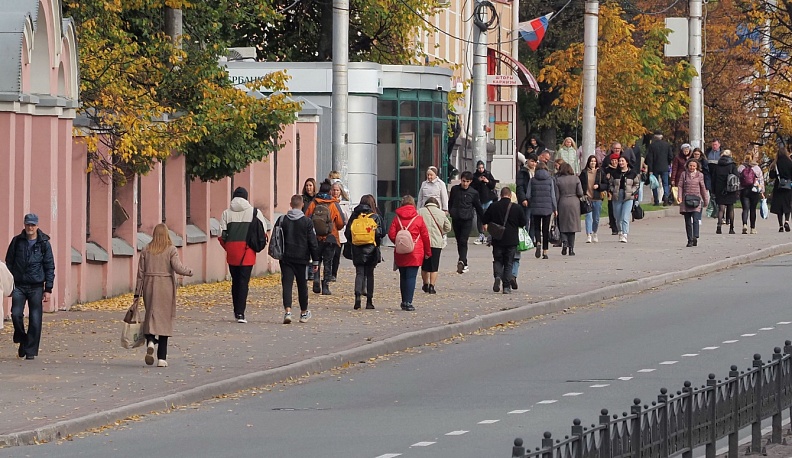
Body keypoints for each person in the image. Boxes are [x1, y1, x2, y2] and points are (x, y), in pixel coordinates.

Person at [135, 223, 193, 367]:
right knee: (164, 320)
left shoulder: (146, 249)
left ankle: (150, 340)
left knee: (151, 314)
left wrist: (137, 293)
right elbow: (177, 267)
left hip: (149, 285)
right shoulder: (171, 249)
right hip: (165, 286)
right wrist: (189, 271)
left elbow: (140, 273)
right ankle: (162, 359)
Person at [6, 213, 54, 360]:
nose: (30, 227)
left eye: (33, 225)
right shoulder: (17, 241)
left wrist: (48, 289)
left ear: (37, 226)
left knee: (35, 319)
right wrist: (9, 284)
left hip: (36, 286)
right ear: (24, 225)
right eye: (28, 224)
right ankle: (22, 338)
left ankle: (30, 351)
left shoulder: (44, 243)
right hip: (19, 285)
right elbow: (9, 263)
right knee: (16, 314)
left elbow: (49, 266)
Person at [219, 186, 269, 323]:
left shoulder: (226, 213)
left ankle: (236, 310)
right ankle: (241, 313)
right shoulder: (255, 212)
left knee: (235, 281)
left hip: (232, 252)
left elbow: (221, 235)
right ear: (246, 197)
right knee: (243, 282)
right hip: (248, 252)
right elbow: (263, 232)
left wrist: (228, 247)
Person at [279, 194, 321, 323]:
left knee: (287, 285)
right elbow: (312, 242)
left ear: (290, 205)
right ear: (302, 205)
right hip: (302, 259)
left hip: (286, 258)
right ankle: (303, 313)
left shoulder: (283, 220)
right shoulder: (307, 222)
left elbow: (278, 238)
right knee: (302, 285)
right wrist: (315, 260)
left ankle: (288, 312)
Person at [388, 195, 431, 311]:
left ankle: (403, 301)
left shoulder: (397, 218)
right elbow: (425, 236)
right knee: (411, 277)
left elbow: (391, 234)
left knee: (403, 276)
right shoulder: (418, 218)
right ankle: (409, 302)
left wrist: (399, 242)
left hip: (401, 251)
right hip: (415, 252)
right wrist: (428, 252)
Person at [482, 187, 526, 294]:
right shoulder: (517, 208)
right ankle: (506, 287)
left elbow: (485, 219)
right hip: (511, 239)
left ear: (500, 195)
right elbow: (523, 222)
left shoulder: (493, 206)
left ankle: (497, 276)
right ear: (510, 196)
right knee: (508, 263)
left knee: (498, 260)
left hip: (498, 238)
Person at [305, 180, 345, 295]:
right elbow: (341, 223)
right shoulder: (334, 204)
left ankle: (316, 279)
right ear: (330, 191)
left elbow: (306, 218)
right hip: (330, 237)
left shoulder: (313, 203)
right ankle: (325, 285)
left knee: (316, 260)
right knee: (328, 262)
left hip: (315, 237)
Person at [344, 194, 384, 309]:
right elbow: (382, 232)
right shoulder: (375, 216)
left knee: (359, 273)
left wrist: (354, 242)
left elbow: (347, 233)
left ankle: (357, 297)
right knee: (370, 274)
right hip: (372, 249)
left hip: (357, 249)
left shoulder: (355, 216)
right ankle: (369, 301)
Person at [448, 170, 484, 274]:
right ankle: (464, 262)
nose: (465, 184)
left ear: (470, 181)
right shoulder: (455, 189)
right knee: (459, 241)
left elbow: (478, 208)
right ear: (461, 180)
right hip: (456, 218)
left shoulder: (473, 193)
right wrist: (451, 211)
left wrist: (484, 221)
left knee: (463, 240)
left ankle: (462, 261)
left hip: (467, 219)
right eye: (463, 181)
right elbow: (450, 202)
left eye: (467, 181)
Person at [418, 197, 451, 295]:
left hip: (423, 242)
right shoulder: (441, 213)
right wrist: (441, 232)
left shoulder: (420, 212)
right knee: (434, 266)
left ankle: (425, 284)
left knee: (424, 265)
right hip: (436, 243)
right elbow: (448, 227)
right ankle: (432, 286)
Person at [526, 161, 557, 259]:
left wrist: (532, 202)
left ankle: (538, 242)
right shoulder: (550, 180)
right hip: (547, 208)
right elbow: (553, 196)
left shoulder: (532, 180)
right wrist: (555, 208)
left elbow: (528, 195)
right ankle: (545, 251)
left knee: (536, 227)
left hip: (535, 207)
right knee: (545, 229)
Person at [608, 156, 640, 243]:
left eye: (622, 161)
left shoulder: (632, 173)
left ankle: (625, 234)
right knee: (618, 217)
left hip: (628, 197)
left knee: (625, 216)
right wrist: (613, 190)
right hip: (617, 196)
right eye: (620, 161)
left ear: (627, 162)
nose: (621, 163)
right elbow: (610, 184)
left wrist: (632, 192)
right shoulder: (615, 173)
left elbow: (637, 184)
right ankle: (620, 231)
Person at [677, 159, 709, 247]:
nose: (692, 167)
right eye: (690, 165)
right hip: (686, 200)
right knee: (687, 221)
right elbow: (680, 186)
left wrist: (705, 200)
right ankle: (689, 240)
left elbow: (702, 188)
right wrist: (679, 196)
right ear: (687, 166)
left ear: (697, 167)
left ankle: (695, 236)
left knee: (695, 219)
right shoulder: (684, 174)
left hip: (696, 200)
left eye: (694, 166)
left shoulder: (700, 175)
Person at [555, 163, 584, 255]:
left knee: (562, 225)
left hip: (562, 202)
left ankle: (564, 242)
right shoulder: (576, 179)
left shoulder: (558, 180)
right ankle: (571, 249)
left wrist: (555, 207)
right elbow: (580, 193)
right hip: (574, 203)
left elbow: (556, 195)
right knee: (572, 227)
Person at [579, 155, 607, 243]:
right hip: (587, 198)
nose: (593, 163)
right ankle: (589, 235)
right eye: (591, 161)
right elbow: (579, 184)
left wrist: (599, 186)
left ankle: (595, 232)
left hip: (597, 198)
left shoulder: (600, 172)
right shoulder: (584, 173)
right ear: (588, 162)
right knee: (588, 217)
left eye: (594, 161)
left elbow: (606, 184)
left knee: (596, 218)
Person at [711, 150, 740, 234]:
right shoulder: (732, 166)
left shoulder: (717, 166)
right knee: (730, 209)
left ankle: (719, 226)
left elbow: (713, 179)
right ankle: (731, 228)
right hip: (730, 189)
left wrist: (713, 191)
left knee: (721, 209)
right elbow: (737, 177)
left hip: (719, 189)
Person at [738, 150, 765, 234]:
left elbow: (738, 179)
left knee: (745, 209)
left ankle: (744, 224)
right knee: (753, 209)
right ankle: (752, 228)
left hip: (744, 190)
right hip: (754, 190)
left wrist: (738, 189)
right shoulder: (757, 168)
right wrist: (762, 191)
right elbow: (761, 181)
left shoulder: (741, 167)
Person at [329, 181, 351, 282]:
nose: (335, 192)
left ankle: (334, 273)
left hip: (340, 232)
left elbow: (348, 219)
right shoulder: (328, 202)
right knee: (329, 254)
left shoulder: (344, 204)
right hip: (329, 232)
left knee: (336, 254)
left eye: (337, 190)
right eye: (334, 190)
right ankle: (328, 273)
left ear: (340, 192)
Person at [645, 131, 674, 205]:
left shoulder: (652, 146)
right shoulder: (667, 145)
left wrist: (650, 169)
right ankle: (666, 197)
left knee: (654, 183)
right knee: (665, 183)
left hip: (655, 167)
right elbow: (671, 156)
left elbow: (650, 158)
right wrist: (667, 163)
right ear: (662, 137)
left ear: (655, 137)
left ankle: (656, 200)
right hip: (664, 167)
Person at [472, 160, 497, 244]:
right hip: (479, 199)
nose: (481, 169)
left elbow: (493, 185)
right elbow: (472, 186)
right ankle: (481, 234)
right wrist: (478, 180)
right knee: (480, 217)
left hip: (488, 199)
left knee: (489, 216)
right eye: (479, 168)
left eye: (482, 168)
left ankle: (490, 235)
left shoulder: (488, 174)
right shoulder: (474, 176)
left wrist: (487, 181)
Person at [769, 145, 792, 232]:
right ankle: (786, 221)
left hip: (778, 187)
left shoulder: (775, 163)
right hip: (788, 187)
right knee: (787, 205)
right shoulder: (790, 163)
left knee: (779, 207)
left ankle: (781, 226)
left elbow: (771, 176)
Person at [603, 152, 620, 235]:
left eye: (616, 160)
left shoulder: (621, 169)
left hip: (619, 192)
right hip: (611, 192)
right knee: (611, 210)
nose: (614, 162)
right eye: (612, 160)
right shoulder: (607, 170)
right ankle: (613, 227)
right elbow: (605, 182)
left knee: (618, 210)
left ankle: (619, 226)